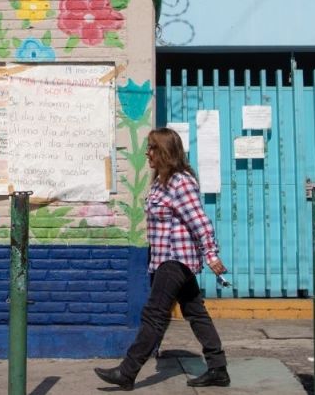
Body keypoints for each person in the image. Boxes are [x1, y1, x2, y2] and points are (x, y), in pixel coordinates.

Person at [94, 127, 230, 390]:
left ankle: (128, 371)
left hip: (175, 259)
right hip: (164, 259)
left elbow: (200, 221)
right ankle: (218, 369)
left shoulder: (181, 182)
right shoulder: (160, 182)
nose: (147, 152)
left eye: (152, 147)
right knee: (196, 312)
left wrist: (211, 254)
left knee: (154, 315)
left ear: (165, 151)